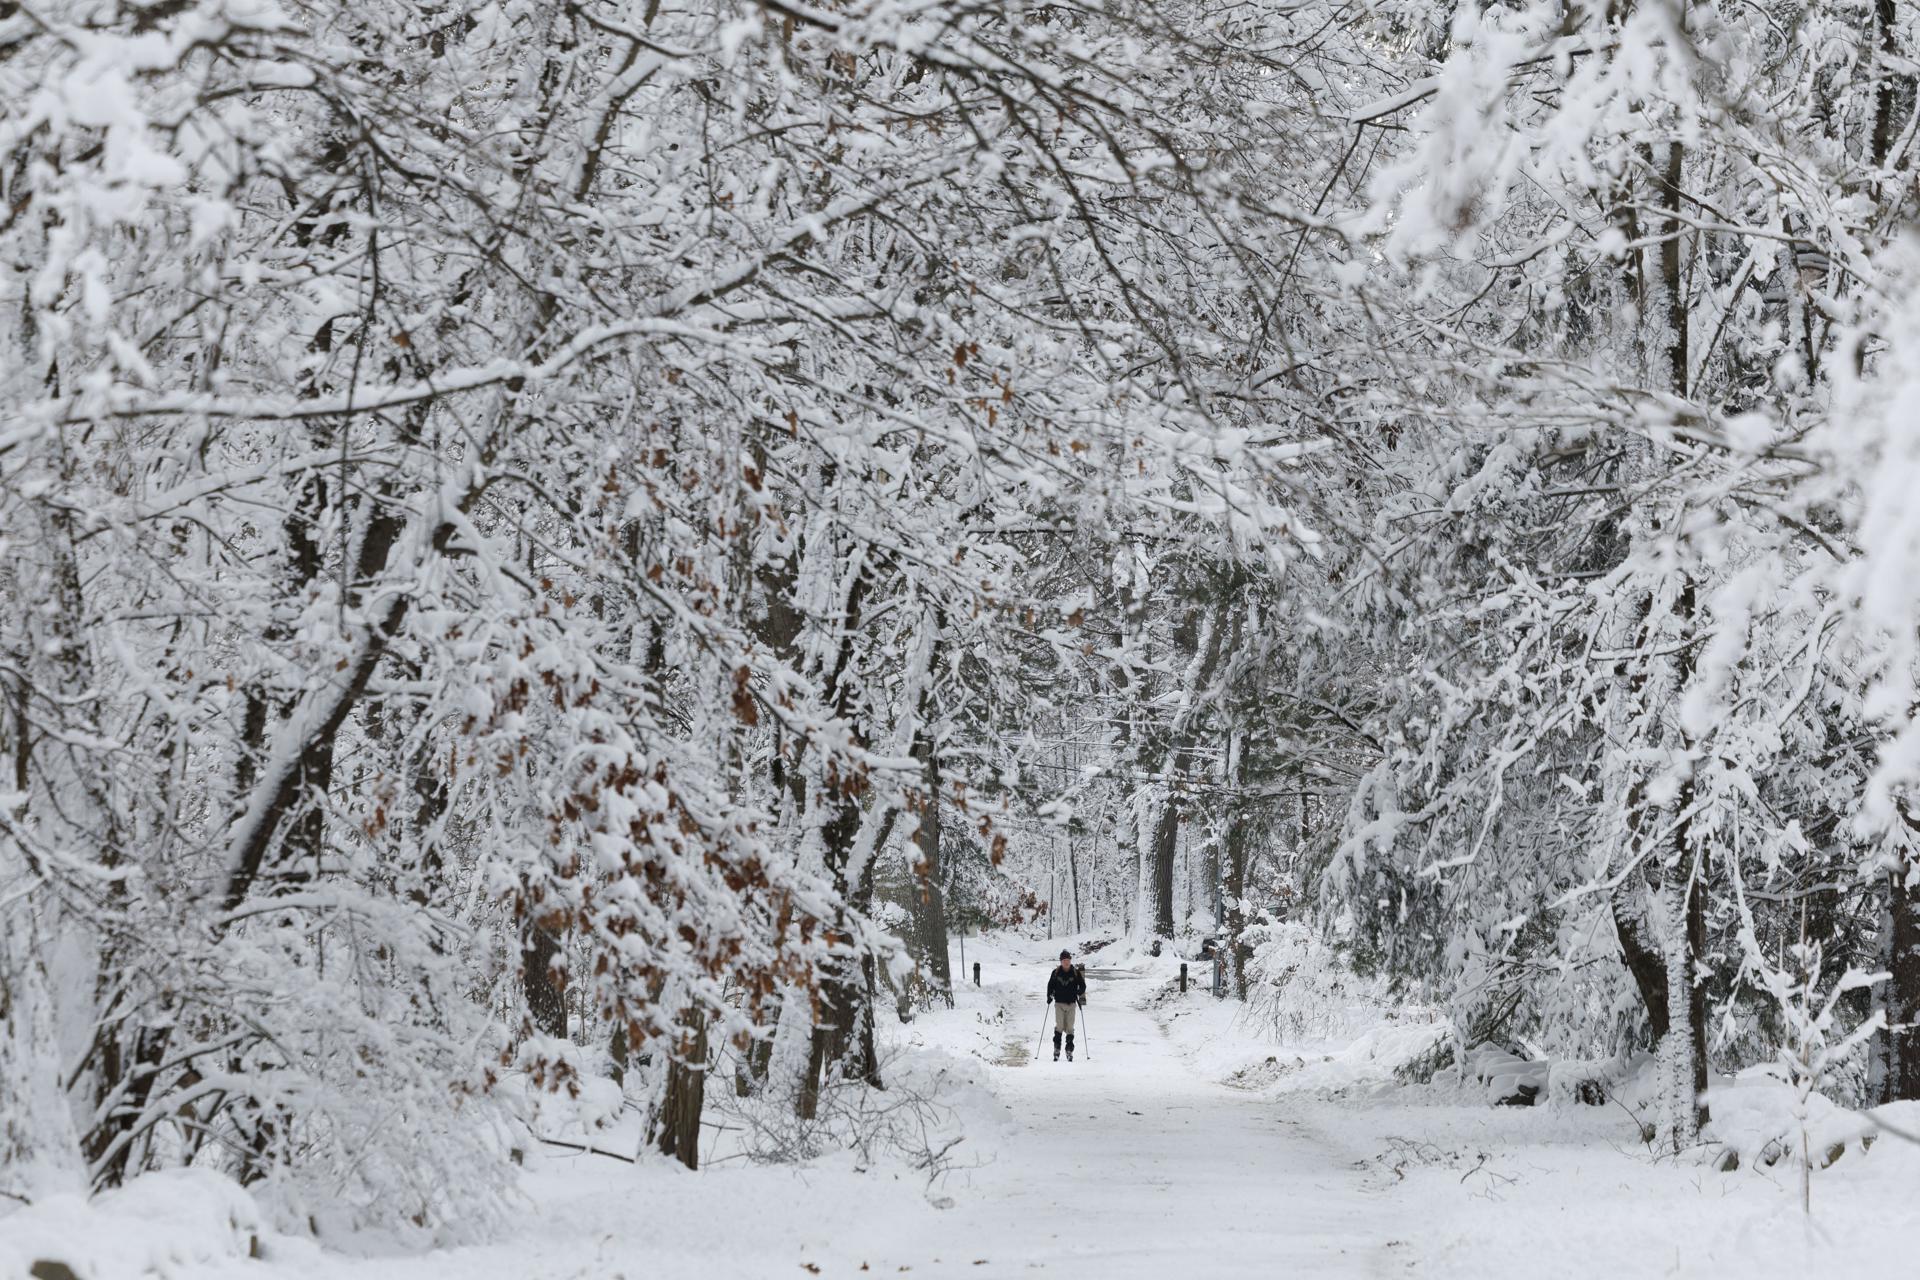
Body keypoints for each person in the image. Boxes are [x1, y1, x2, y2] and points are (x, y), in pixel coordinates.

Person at [1046, 949, 1086, 1061]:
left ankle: (1069, 1050)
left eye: (1067, 960)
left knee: (1070, 1027)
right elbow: (1050, 986)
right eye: (1064, 960)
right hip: (1059, 1003)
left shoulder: (1075, 972)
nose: (1066, 962)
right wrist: (1049, 996)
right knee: (1059, 1026)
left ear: (1070, 960)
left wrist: (1078, 993)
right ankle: (1057, 1048)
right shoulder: (1056, 972)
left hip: (1071, 1004)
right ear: (1061, 961)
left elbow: (1083, 986)